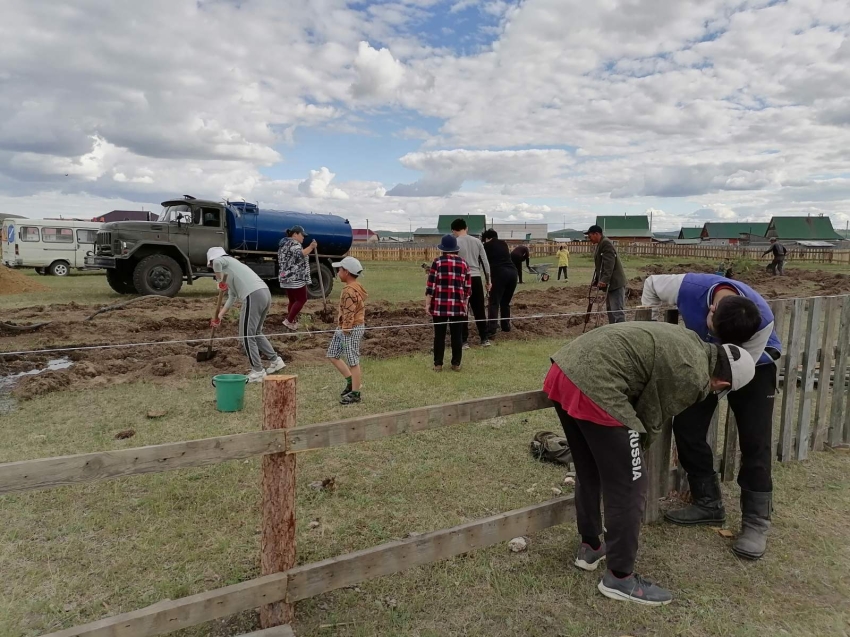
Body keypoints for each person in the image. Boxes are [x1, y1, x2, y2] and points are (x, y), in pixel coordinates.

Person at [544, 321, 755, 606]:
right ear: (723, 384)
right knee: (631, 485)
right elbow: (651, 416)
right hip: (597, 384)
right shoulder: (693, 375)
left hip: (564, 369)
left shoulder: (691, 342)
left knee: (589, 466)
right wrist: (634, 458)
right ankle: (619, 577)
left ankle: (591, 546)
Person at [641, 272, 781, 559]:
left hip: (754, 366)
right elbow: (650, 285)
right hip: (708, 361)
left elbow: (738, 374)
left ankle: (756, 522)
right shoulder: (687, 287)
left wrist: (711, 390)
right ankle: (708, 503)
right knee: (687, 426)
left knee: (755, 440)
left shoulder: (762, 321)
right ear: (712, 309)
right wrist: (654, 327)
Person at [207, 247, 285, 383]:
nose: (214, 270)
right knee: (255, 332)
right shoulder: (231, 269)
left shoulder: (224, 260)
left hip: (253, 295)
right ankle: (275, 360)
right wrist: (219, 315)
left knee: (246, 336)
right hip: (263, 293)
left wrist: (220, 282)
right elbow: (232, 297)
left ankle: (258, 371)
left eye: (211, 266)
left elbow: (217, 263)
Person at [426, 235, 471, 372]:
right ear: (455, 249)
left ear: (443, 249)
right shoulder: (464, 263)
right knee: (457, 335)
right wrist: (465, 305)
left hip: (439, 306)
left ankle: (438, 364)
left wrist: (427, 304)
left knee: (439, 335)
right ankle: (456, 364)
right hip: (458, 306)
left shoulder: (437, 262)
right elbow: (467, 289)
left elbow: (430, 286)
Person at [327, 256, 367, 405]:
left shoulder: (349, 291)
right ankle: (351, 382)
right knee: (332, 354)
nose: (338, 272)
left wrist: (345, 330)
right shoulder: (353, 288)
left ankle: (356, 393)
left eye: (340, 269)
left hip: (350, 329)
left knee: (353, 361)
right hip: (343, 328)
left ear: (347, 272)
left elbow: (349, 312)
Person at [451, 219, 492, 349]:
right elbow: (485, 263)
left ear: (453, 230)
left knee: (462, 310)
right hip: (476, 278)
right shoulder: (477, 241)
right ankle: (484, 339)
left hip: (460, 278)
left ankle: (464, 341)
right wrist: (488, 281)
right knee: (479, 309)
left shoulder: (454, 242)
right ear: (466, 228)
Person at [278, 225, 317, 330]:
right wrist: (311, 247)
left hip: (285, 276)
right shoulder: (294, 243)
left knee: (292, 300)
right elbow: (300, 254)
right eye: (302, 235)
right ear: (295, 234)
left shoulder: (284, 244)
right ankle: (289, 321)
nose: (303, 237)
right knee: (302, 299)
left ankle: (292, 321)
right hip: (295, 276)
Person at [586, 225, 627, 324]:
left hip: (615, 283)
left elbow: (609, 264)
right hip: (610, 284)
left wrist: (604, 280)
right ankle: (613, 330)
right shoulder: (601, 244)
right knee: (610, 309)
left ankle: (621, 331)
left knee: (617, 310)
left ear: (597, 234)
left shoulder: (606, 244)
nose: (589, 239)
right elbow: (600, 265)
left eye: (590, 236)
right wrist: (597, 280)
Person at [481, 229, 518, 339]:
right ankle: (505, 326)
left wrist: (488, 281)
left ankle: (492, 328)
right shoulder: (504, 244)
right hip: (513, 272)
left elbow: (484, 263)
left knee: (494, 302)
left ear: (487, 238)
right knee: (505, 302)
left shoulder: (487, 246)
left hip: (499, 273)